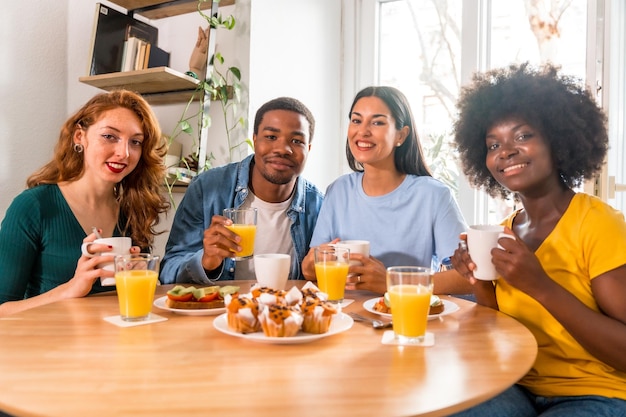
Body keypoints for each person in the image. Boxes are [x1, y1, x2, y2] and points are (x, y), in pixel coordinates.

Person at [449, 63, 626, 416]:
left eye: (523, 135)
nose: (506, 151)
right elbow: (497, 334)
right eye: (493, 144)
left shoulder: (598, 223)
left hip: (597, 393)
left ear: (558, 139)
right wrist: (480, 281)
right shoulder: (503, 232)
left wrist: (541, 285)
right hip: (516, 384)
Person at [0, 90, 170, 317]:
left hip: (114, 345)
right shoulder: (33, 207)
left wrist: (142, 276)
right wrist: (71, 289)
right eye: (110, 136)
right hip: (49, 346)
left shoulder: (132, 210)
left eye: (135, 142)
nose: (124, 152)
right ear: (80, 137)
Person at [302, 86, 472, 295]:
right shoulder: (338, 190)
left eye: (377, 122)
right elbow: (310, 268)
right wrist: (311, 265)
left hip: (405, 318)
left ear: (401, 135)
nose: (362, 131)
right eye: (356, 120)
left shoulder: (433, 195)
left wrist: (392, 282)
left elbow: (466, 277)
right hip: (344, 317)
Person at [160, 97, 324, 283]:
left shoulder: (319, 207)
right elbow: (168, 272)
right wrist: (206, 262)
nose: (283, 149)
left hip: (284, 310)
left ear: (308, 149)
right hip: (220, 310)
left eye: (296, 141)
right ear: (254, 140)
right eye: (271, 137)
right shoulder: (206, 189)